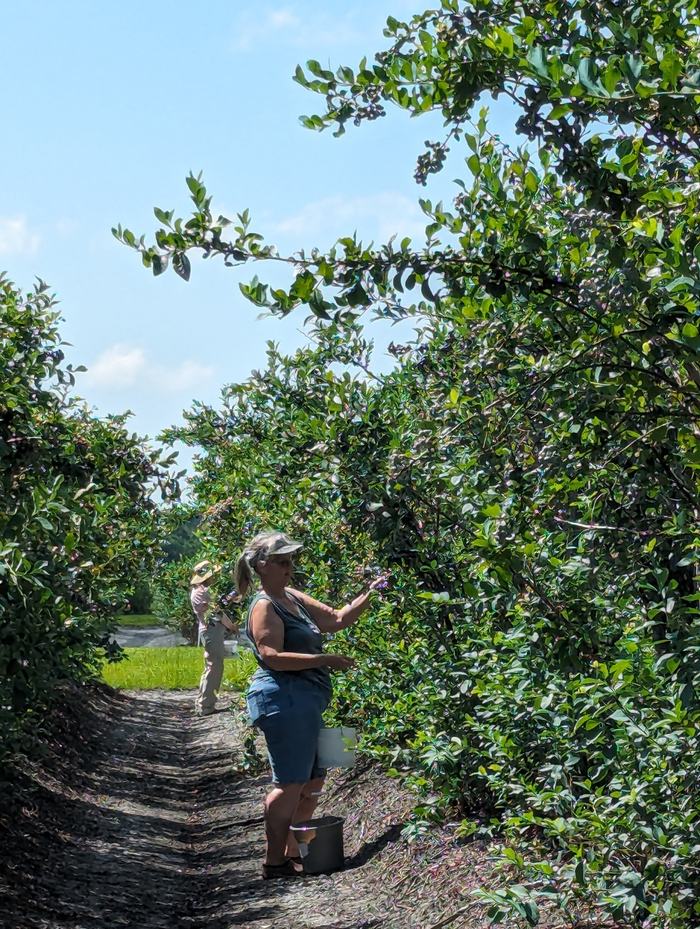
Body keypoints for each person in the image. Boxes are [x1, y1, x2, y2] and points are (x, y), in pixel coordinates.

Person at [234, 530, 388, 880]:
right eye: (283, 562)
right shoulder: (264, 605)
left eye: (291, 562)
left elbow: (335, 619)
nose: (290, 568)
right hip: (282, 701)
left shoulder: (292, 597)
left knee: (317, 777)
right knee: (290, 782)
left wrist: (373, 591)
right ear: (261, 567)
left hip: (308, 702)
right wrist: (325, 660)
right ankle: (275, 862)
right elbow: (271, 656)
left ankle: (296, 852)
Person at [190, 559, 239, 717]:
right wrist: (231, 626)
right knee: (214, 667)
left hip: (210, 631)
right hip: (211, 631)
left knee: (211, 666)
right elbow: (217, 613)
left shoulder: (201, 591)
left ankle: (203, 702)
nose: (215, 577)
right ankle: (206, 705)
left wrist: (230, 597)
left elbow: (219, 605)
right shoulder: (202, 592)